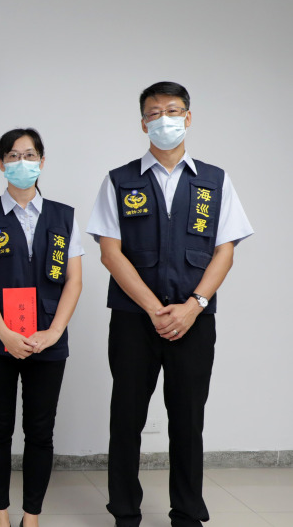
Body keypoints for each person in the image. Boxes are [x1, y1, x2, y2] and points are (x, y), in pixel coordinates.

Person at [87, 82, 253, 527]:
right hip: (133, 320)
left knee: (187, 420)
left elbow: (225, 251)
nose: (164, 119)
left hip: (194, 320)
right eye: (154, 113)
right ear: (143, 123)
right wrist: (152, 308)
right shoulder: (119, 180)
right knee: (126, 419)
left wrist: (193, 306)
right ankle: (125, 512)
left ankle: (187, 512)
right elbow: (110, 252)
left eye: (173, 110)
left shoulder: (215, 180)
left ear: (188, 117)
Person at [0, 128, 83, 527]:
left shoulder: (64, 216)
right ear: (1, 164)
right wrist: (4, 334)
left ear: (42, 162)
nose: (22, 162)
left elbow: (74, 281)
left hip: (48, 338)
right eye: (13, 156)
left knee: (40, 431)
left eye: (29, 155)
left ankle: (31, 516)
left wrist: (54, 332)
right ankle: (0, 514)